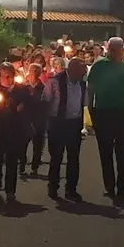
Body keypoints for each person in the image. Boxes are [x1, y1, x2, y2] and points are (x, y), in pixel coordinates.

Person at [87, 37, 124, 198]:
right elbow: (91, 88)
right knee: (106, 151)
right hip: (103, 112)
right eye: (110, 49)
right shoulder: (99, 65)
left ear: (121, 50)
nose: (112, 52)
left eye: (115, 49)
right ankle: (109, 186)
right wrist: (91, 109)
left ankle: (122, 187)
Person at [43, 58, 87, 201]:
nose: (82, 75)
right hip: (58, 124)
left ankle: (71, 189)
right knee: (56, 158)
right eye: (81, 72)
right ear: (71, 69)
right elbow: (46, 101)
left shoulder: (82, 84)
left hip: (74, 124)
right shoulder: (55, 81)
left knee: (73, 159)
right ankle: (53, 187)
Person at [0, 62, 34, 203]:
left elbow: (29, 105)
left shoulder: (22, 90)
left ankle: (10, 191)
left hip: (15, 130)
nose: (7, 79)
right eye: (4, 76)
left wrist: (23, 108)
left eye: (10, 76)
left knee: (12, 161)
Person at [20, 63, 48, 177]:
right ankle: (22, 163)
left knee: (37, 144)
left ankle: (34, 167)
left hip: (38, 119)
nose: (34, 74)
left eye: (37, 71)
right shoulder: (23, 87)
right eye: (32, 71)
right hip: (26, 118)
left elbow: (45, 102)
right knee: (22, 143)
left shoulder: (43, 87)